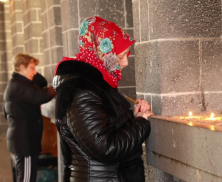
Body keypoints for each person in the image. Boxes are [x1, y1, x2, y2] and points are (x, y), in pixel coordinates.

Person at [53, 16, 154, 182]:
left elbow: (106, 127)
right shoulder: (82, 92)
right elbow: (106, 148)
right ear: (100, 53)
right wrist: (140, 123)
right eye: (121, 56)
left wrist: (132, 117)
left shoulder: (96, 85)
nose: (126, 62)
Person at [3, 53, 57, 182]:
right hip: (24, 142)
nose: (34, 71)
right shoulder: (20, 85)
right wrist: (57, 87)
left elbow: (41, 82)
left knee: (26, 177)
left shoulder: (15, 83)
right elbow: (41, 96)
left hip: (21, 139)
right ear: (21, 67)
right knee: (26, 178)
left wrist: (32, 71)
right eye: (32, 68)